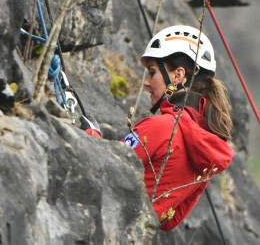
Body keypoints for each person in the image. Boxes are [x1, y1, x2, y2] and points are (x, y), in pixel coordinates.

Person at [80, 25, 234, 231]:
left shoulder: (162, 127)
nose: (147, 83)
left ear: (177, 76)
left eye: (152, 72)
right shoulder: (206, 151)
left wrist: (90, 136)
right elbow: (170, 220)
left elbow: (104, 168)